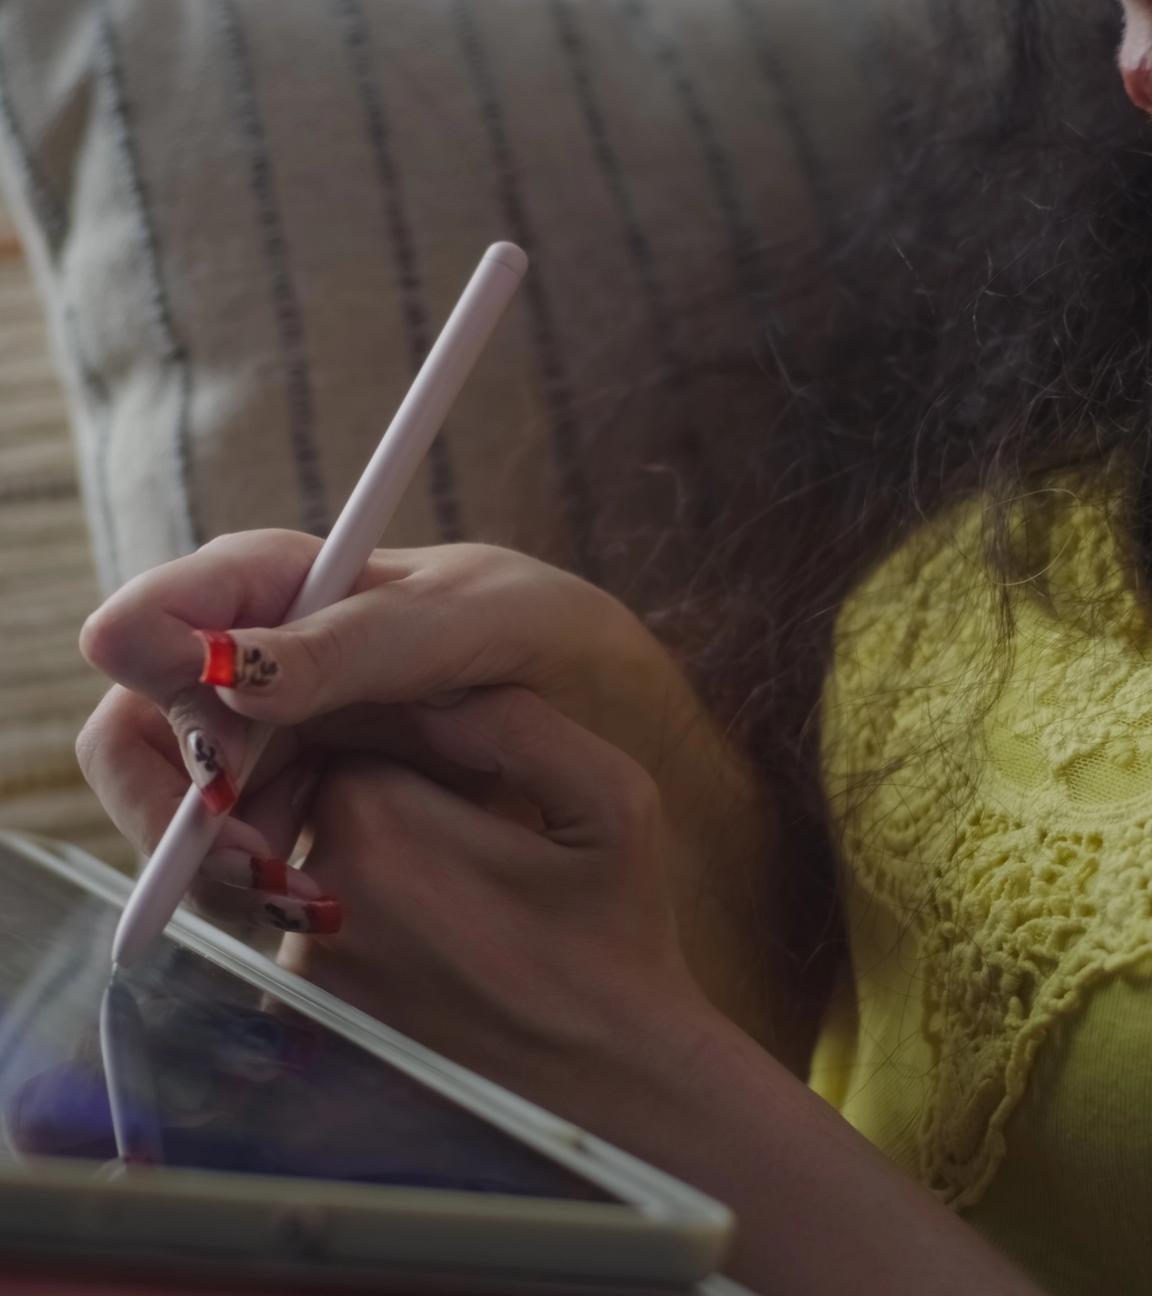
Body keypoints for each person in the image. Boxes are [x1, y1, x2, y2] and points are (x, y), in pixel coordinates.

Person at [66, 1, 1152, 1292]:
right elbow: (859, 1047)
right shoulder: (1082, 396)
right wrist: (613, 717)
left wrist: (647, 1084)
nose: (1134, 62)